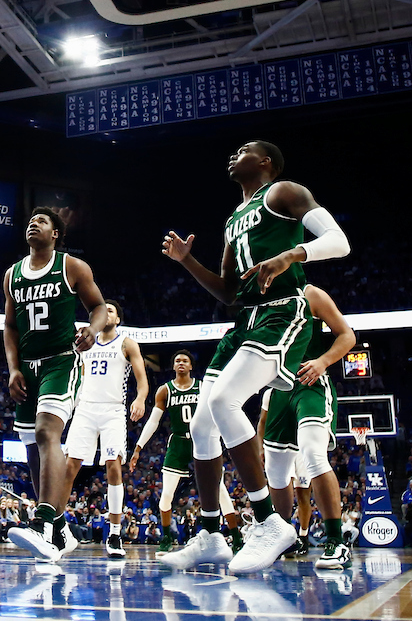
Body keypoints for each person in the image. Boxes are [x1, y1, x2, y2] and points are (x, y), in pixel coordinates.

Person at [160, 141, 350, 574]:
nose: (232, 153)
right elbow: (228, 293)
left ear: (265, 162)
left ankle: (269, 522)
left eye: (244, 149)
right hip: (244, 320)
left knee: (224, 400)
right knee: (201, 423)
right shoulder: (231, 220)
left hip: (284, 310)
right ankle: (212, 532)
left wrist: (291, 254)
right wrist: (189, 262)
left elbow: (339, 242)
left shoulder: (283, 192)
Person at [4, 207, 108, 561]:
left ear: (56, 234)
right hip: (28, 369)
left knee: (49, 432)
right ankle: (60, 527)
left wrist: (92, 331)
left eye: (43, 221)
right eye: (30, 219)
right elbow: (10, 327)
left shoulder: (72, 267)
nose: (34, 223)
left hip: (62, 360)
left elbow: (99, 307)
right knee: (33, 446)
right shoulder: (12, 275)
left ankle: (43, 523)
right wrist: (13, 369)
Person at [257, 283, 356, 569]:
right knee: (276, 472)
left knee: (313, 456)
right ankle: (280, 537)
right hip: (277, 390)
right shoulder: (260, 302)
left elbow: (347, 336)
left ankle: (336, 542)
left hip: (310, 383)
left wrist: (323, 361)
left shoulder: (311, 293)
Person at [130, 349, 243, 555]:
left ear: (191, 366)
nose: (181, 363)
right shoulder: (165, 390)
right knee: (166, 495)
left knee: (220, 491)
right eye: (177, 360)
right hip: (179, 443)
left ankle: (236, 537)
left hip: (202, 440)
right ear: (173, 366)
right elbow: (154, 422)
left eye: (185, 360)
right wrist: (138, 447)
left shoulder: (202, 388)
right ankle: (166, 537)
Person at [63, 299, 149, 559]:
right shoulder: (85, 342)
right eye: (103, 310)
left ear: (118, 319)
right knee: (70, 465)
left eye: (111, 310)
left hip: (112, 410)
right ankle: (56, 526)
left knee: (113, 465)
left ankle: (114, 533)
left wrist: (140, 399)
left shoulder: (126, 342)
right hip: (86, 408)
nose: (106, 313)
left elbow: (142, 380)